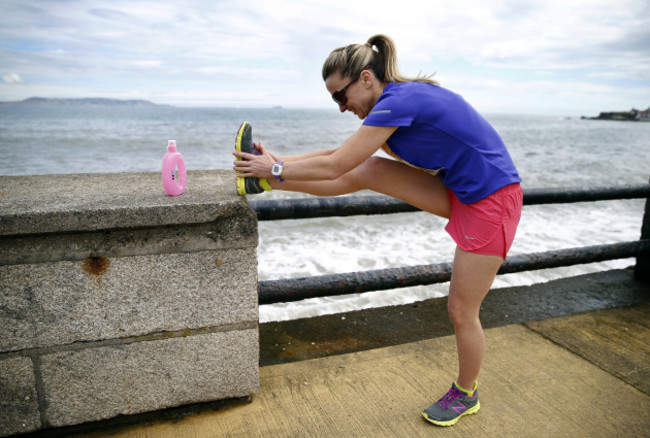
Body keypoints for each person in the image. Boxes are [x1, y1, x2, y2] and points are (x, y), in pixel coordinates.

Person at [233, 34, 522, 427]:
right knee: (369, 170)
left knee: (461, 310)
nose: (340, 107)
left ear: (366, 79)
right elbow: (337, 157)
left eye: (341, 96)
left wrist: (278, 167)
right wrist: (274, 165)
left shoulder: (400, 101)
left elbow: (335, 165)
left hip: (492, 201)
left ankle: (465, 393)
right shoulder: (390, 104)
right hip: (464, 190)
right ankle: (262, 184)